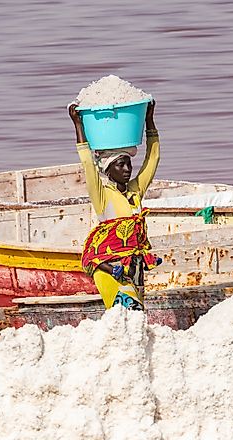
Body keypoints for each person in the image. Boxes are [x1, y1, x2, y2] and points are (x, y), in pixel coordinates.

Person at [68, 100, 161, 310]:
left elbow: (153, 158)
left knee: (136, 318)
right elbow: (88, 164)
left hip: (134, 265)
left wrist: (148, 119)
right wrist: (78, 125)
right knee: (127, 314)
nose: (128, 169)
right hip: (111, 268)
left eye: (129, 163)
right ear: (109, 169)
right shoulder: (103, 195)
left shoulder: (135, 192)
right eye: (121, 164)